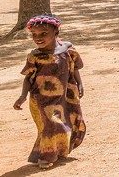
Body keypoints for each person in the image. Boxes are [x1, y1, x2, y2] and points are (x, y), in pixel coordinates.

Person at [13, 14, 86, 169]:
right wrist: (22, 96)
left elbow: (75, 68)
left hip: (64, 96)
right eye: (34, 35)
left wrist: (79, 83)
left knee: (66, 122)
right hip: (41, 99)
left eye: (43, 33)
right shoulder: (35, 56)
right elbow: (28, 78)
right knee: (51, 125)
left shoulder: (68, 50)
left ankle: (57, 150)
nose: (38, 38)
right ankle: (46, 156)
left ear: (56, 33)